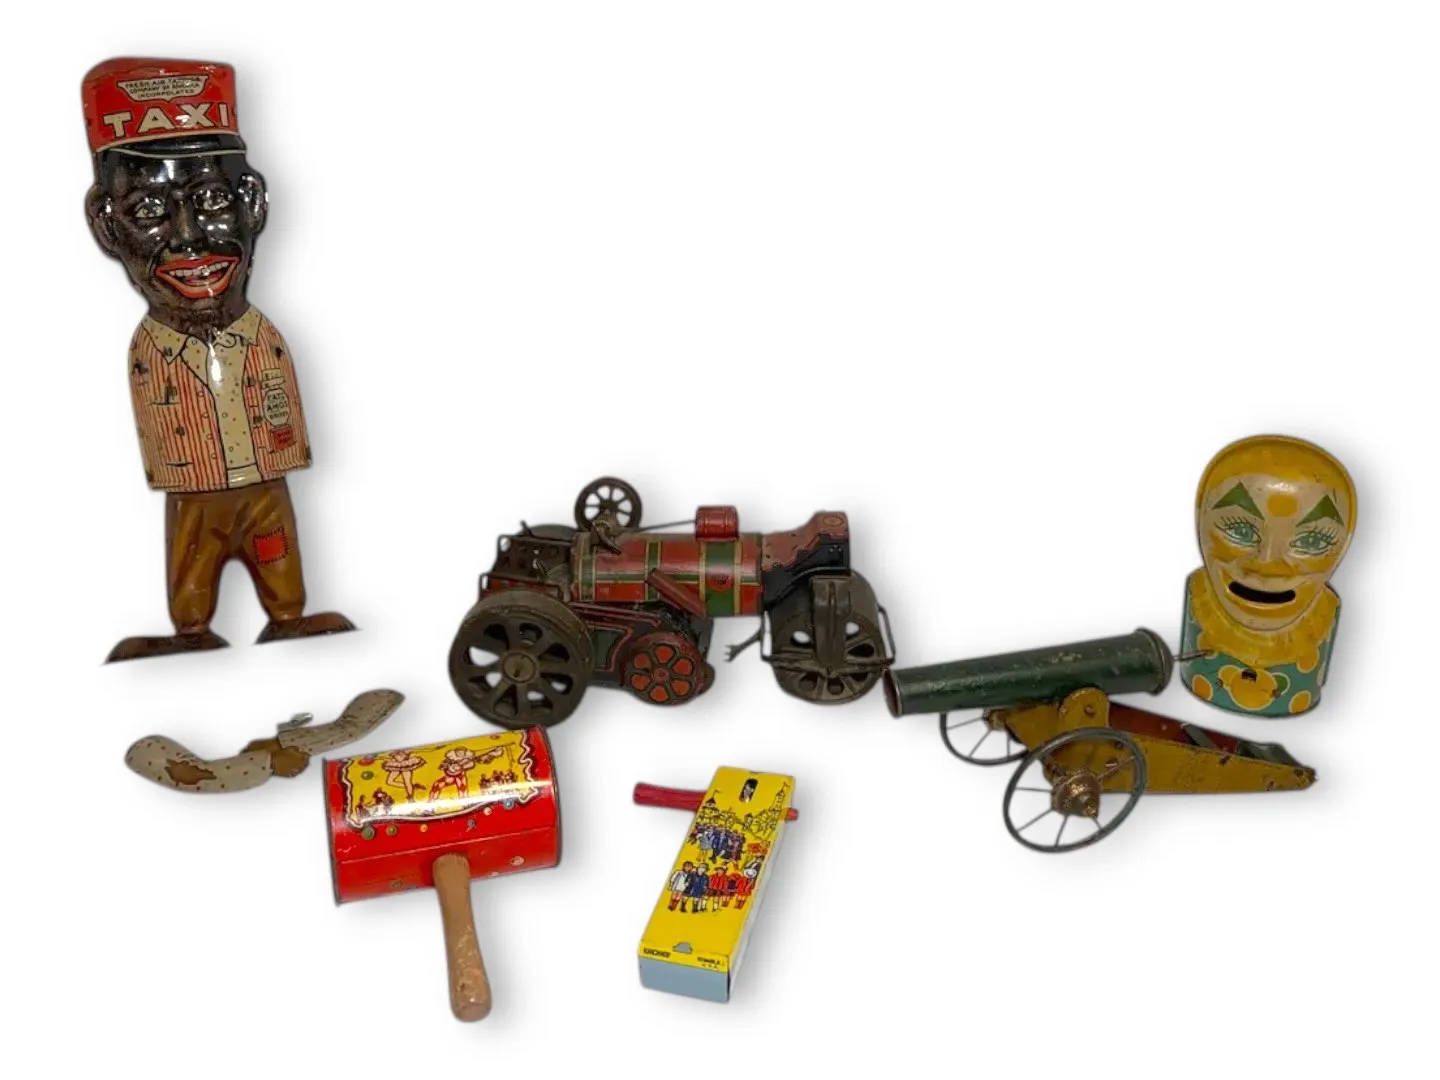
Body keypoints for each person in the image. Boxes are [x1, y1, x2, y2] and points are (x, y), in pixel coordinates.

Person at [82, 58, 354, 661]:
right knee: (193, 555)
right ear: (106, 225)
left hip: (264, 483)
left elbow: (279, 403)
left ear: (251, 202)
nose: (188, 238)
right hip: (196, 488)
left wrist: (281, 445)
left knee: (277, 546)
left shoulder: (263, 337)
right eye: (149, 211)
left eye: (210, 199)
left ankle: (287, 614)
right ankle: (192, 628)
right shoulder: (151, 350)